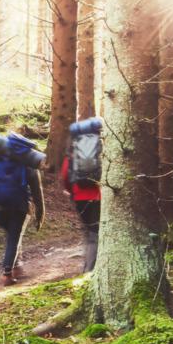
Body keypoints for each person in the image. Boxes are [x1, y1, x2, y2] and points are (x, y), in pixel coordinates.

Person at [0, 115, 45, 284]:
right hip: (17, 205)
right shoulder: (28, 165)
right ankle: (7, 273)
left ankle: (16, 264)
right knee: (14, 237)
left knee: (12, 234)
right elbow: (37, 191)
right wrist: (40, 213)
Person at [64, 115, 103, 273]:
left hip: (79, 197)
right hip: (96, 196)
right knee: (95, 233)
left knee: (88, 231)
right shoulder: (98, 148)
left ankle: (89, 265)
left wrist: (70, 190)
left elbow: (66, 173)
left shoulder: (74, 150)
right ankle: (90, 269)